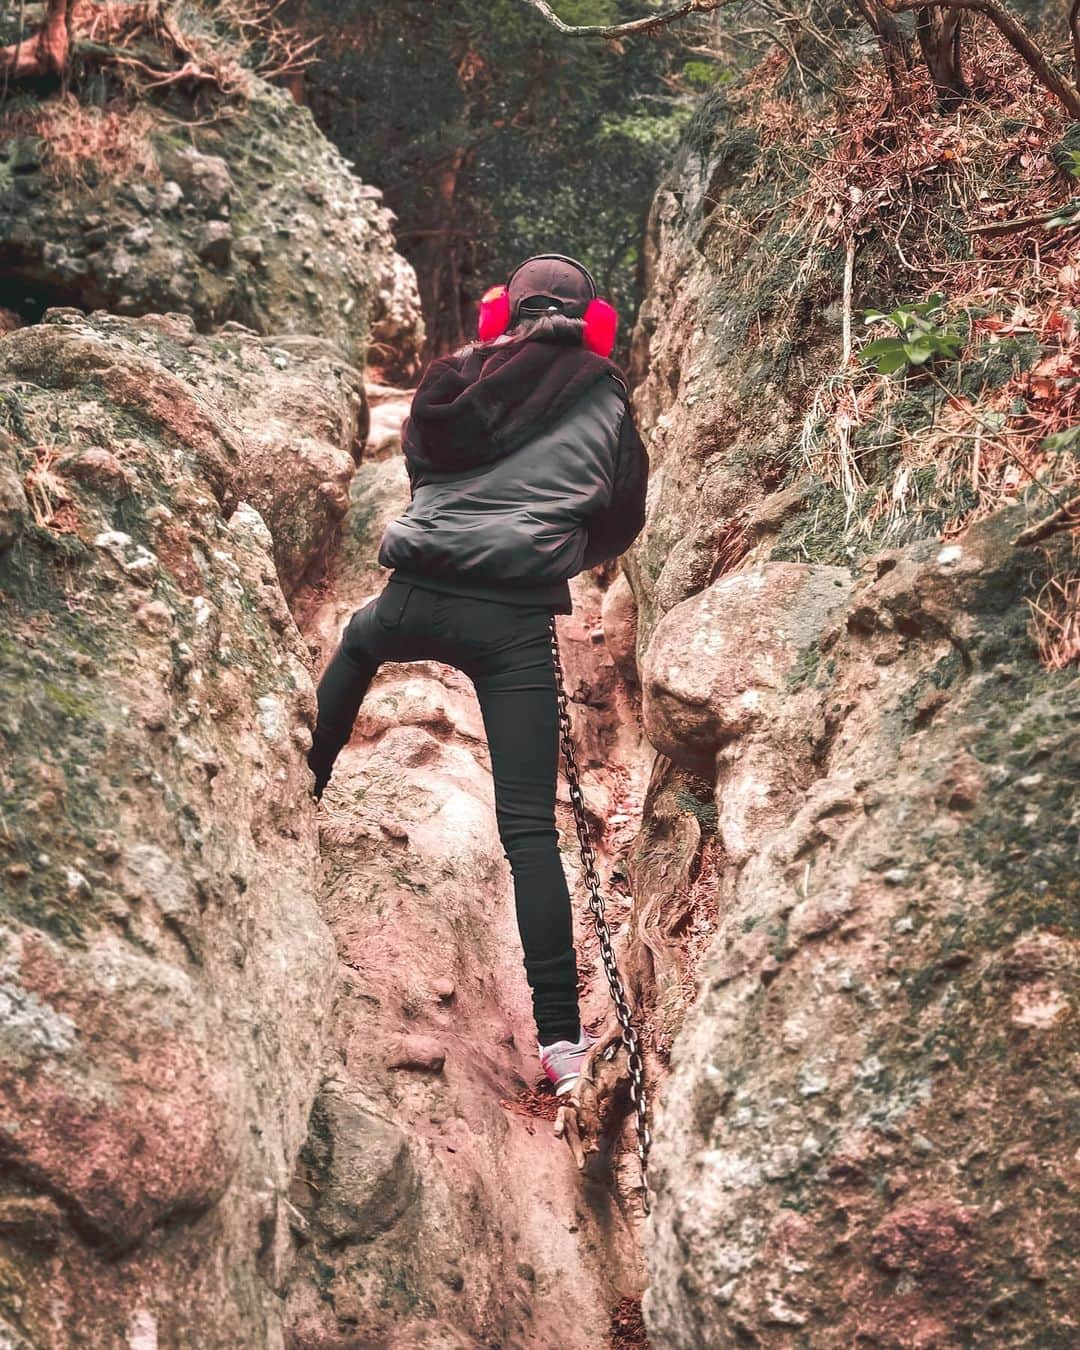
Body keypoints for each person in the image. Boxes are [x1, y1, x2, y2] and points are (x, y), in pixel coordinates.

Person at [306, 253, 650, 1095]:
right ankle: (561, 1045)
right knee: (530, 833)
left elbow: (423, 476)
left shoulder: (451, 379)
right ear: (590, 319)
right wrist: (558, 552)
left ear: (503, 312)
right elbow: (622, 516)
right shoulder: (604, 395)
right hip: (515, 625)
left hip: (415, 595)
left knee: (354, 644)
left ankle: (302, 792)